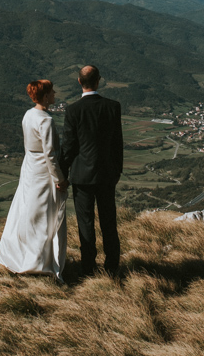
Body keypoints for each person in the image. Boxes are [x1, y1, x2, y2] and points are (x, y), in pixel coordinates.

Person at [0, 79, 69, 280]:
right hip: (44, 173)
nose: (55, 93)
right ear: (45, 96)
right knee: (43, 216)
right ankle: (39, 261)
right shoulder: (46, 120)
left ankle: (21, 254)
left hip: (30, 170)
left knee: (27, 212)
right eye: (52, 91)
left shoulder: (28, 115)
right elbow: (51, 155)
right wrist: (60, 179)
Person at [59, 65, 123, 277]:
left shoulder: (73, 110)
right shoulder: (113, 107)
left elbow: (69, 146)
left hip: (82, 176)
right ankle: (112, 266)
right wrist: (117, 172)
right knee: (108, 222)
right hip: (106, 175)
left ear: (79, 82)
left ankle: (88, 268)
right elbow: (117, 144)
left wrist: (62, 173)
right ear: (99, 81)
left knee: (85, 223)